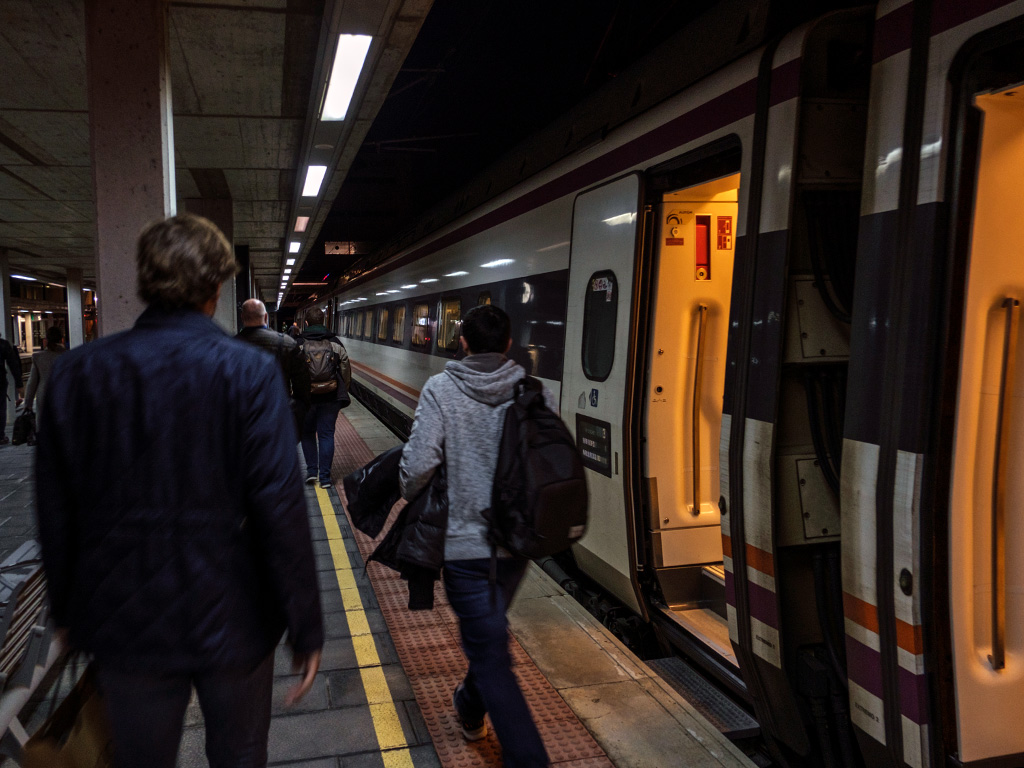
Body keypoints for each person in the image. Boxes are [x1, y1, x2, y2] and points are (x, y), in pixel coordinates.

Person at [35, 214, 323, 768]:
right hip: (236, 617)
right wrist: (305, 624)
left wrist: (68, 609)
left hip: (125, 620)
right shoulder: (249, 372)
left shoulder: (78, 373)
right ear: (217, 286)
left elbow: (56, 508)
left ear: (143, 282)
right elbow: (279, 508)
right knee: (240, 757)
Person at [399, 304, 552, 768]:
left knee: (490, 651)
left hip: (465, 547)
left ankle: (527, 758)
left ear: (461, 342)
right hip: (516, 547)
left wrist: (408, 484)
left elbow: (418, 466)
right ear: (508, 344)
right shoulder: (532, 390)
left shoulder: (441, 388)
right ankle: (468, 704)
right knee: (489, 639)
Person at [236, 298, 311, 433]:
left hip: (243, 418)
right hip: (278, 414)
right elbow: (303, 384)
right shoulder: (287, 343)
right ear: (265, 317)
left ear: (242, 317)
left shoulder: (230, 344)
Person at [297, 308, 350, 489]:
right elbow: (345, 369)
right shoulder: (335, 343)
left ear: (306, 323)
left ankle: (312, 472)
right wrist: (343, 389)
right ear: (324, 321)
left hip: (306, 398)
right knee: (326, 435)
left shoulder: (298, 343)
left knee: (307, 433)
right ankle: (325, 478)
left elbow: (290, 371)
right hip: (330, 397)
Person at [24, 325, 66, 413]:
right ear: (62, 339)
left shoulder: (38, 357)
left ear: (46, 340)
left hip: (43, 397)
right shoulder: (70, 356)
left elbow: (32, 383)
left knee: (44, 424)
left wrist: (28, 403)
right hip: (65, 396)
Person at [0, 335, 24, 445]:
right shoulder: (3, 344)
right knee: (1, 408)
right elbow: (13, 364)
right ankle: (0, 435)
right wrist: (19, 384)